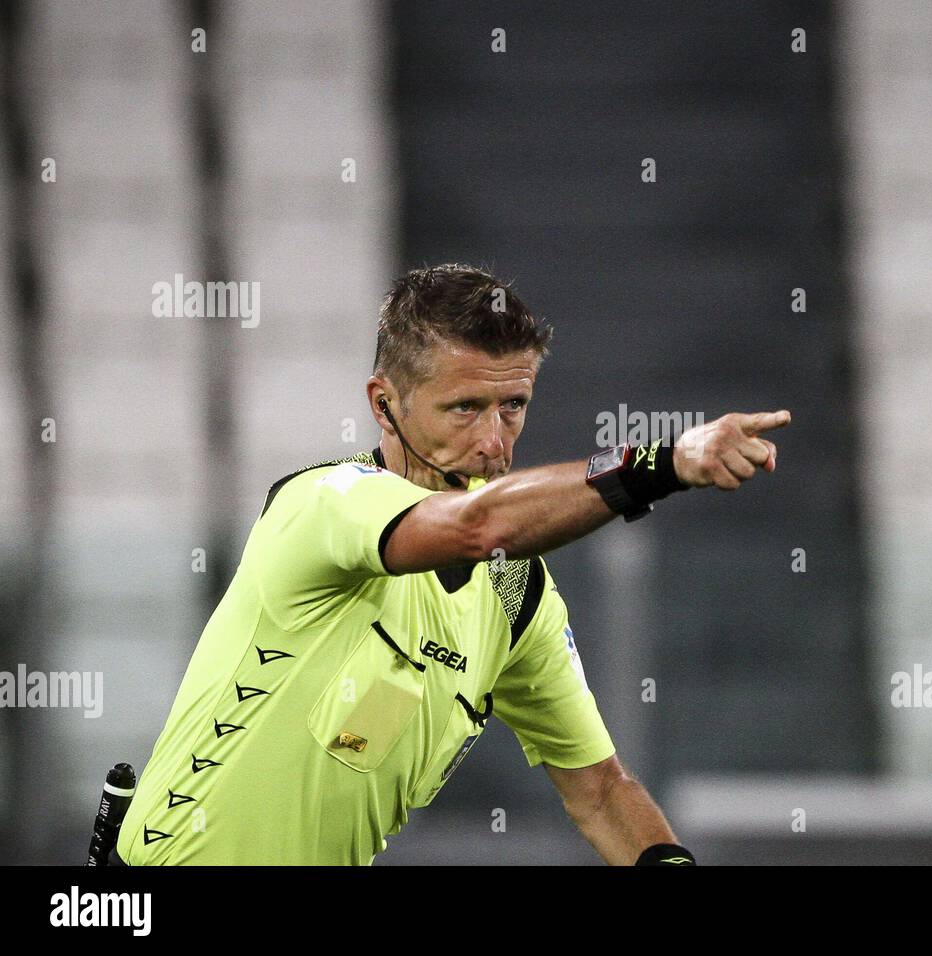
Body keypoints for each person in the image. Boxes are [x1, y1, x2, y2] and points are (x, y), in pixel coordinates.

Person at [114, 263, 790, 865]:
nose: (494, 441)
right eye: (465, 407)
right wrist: (661, 464)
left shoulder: (515, 591)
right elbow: (476, 525)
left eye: (513, 406)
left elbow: (601, 792)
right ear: (385, 404)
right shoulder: (324, 505)